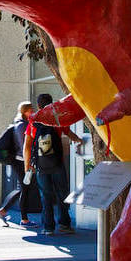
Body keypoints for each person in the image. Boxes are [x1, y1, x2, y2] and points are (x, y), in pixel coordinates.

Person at [24, 93, 82, 235]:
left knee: (46, 196)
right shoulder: (57, 119)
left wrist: (27, 166)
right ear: (51, 104)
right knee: (62, 193)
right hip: (57, 163)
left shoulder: (33, 122)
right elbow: (70, 134)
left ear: (38, 106)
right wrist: (80, 140)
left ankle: (48, 227)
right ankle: (64, 224)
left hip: (41, 165)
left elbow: (27, 145)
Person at [0, 101, 39, 228]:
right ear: (25, 111)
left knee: (23, 188)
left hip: (20, 160)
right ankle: (24, 220)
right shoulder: (22, 125)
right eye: (31, 110)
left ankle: (5, 210)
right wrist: (28, 164)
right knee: (24, 188)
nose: (33, 112)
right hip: (20, 161)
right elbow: (24, 145)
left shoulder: (21, 124)